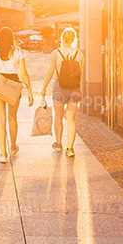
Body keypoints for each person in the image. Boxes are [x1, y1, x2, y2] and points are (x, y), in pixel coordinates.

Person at [0, 26, 34, 163]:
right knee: (12, 118)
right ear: (12, 37)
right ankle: (13, 147)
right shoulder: (18, 52)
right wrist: (30, 90)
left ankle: (3, 154)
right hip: (14, 84)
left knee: (0, 119)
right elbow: (24, 73)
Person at [41, 27, 84, 157]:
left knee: (58, 116)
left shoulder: (56, 53)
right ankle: (70, 149)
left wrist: (43, 88)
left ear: (62, 38)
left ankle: (58, 144)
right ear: (74, 39)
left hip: (60, 88)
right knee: (71, 119)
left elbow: (50, 72)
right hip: (75, 89)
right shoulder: (79, 54)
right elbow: (80, 73)